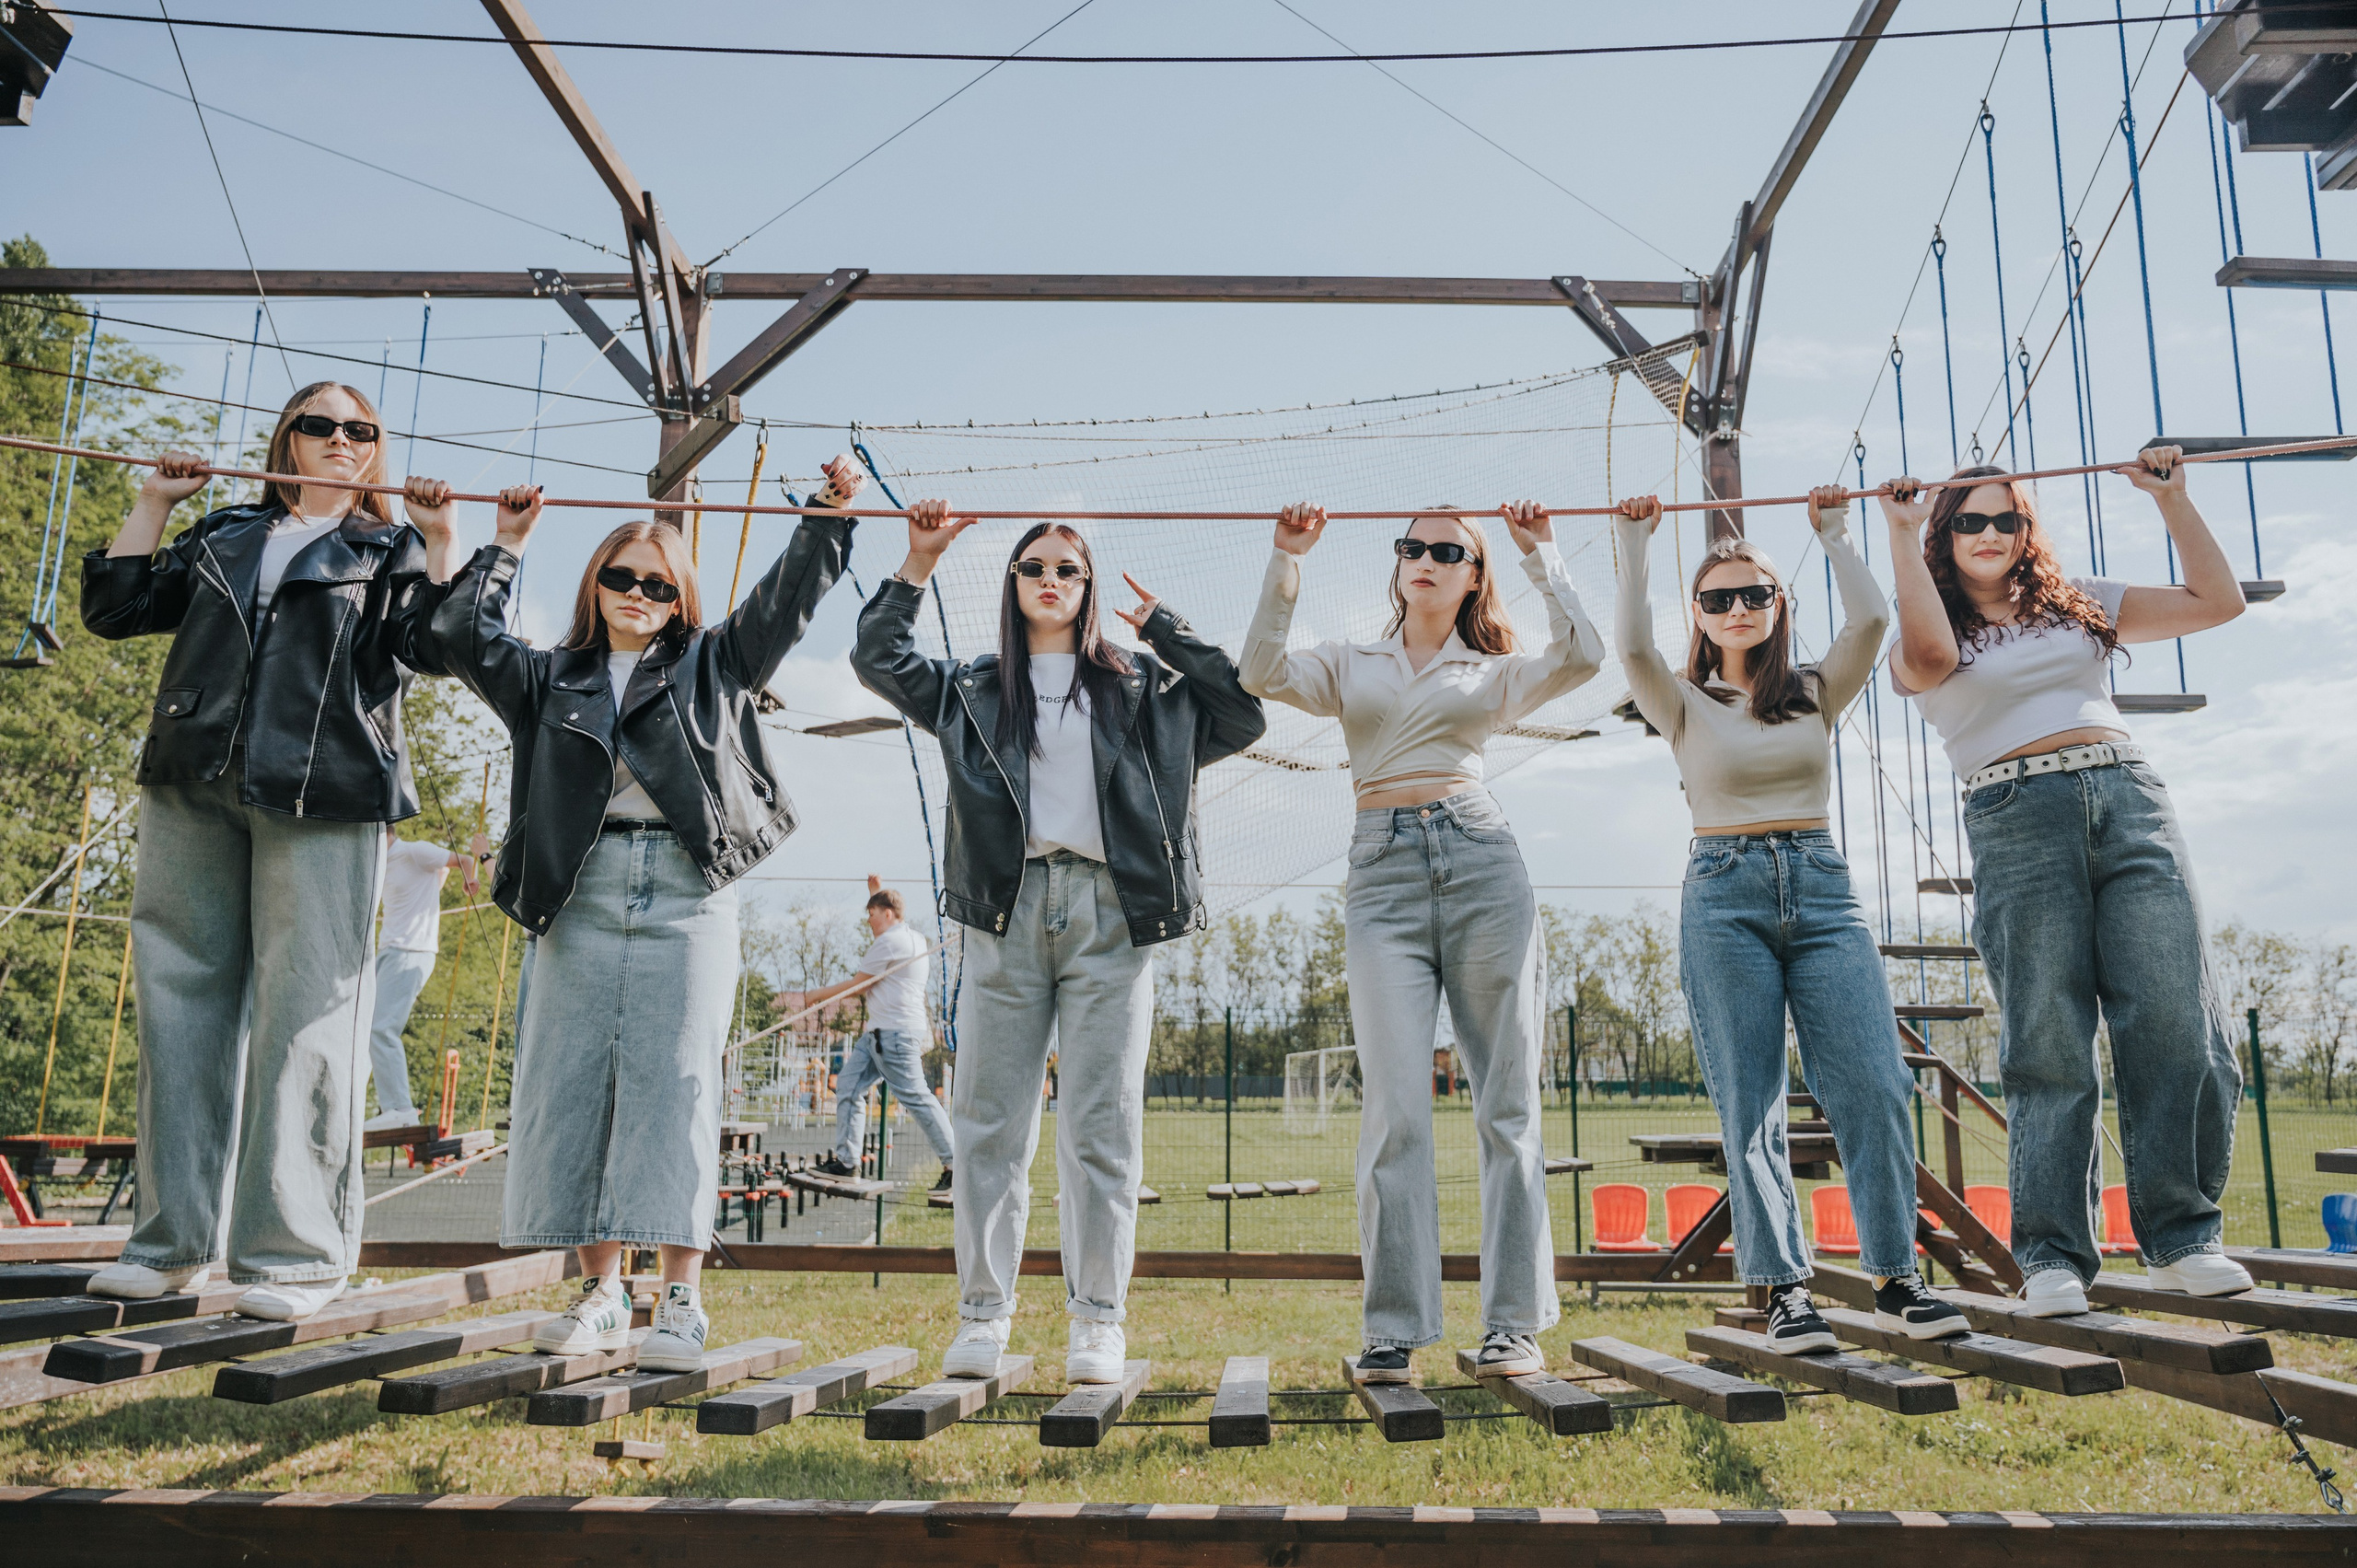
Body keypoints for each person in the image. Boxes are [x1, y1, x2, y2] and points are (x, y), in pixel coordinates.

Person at [423, 458, 865, 1372]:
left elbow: (783, 601)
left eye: (656, 582)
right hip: (578, 891)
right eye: (619, 576)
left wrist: (826, 514)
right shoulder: (550, 677)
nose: (636, 591)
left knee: (676, 1088)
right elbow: (462, 632)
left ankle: (682, 1297)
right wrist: (504, 546)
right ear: (595, 584)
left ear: (678, 597)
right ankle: (601, 1289)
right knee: (576, 1084)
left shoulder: (715, 662)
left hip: (683, 889)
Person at [853, 505, 1264, 1385]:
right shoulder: (969, 686)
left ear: (1088, 586)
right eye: (1033, 565)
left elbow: (1240, 711)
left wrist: (1166, 630)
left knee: (1101, 1128)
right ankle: (983, 1317)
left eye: (1068, 569)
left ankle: (1096, 1321)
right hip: (1003, 914)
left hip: (1113, 916)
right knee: (989, 1126)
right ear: (1012, 582)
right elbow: (877, 657)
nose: (1050, 577)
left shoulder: (1143, 688)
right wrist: (918, 561)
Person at [78, 382, 457, 1320]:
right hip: (193, 773)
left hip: (326, 788)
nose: (340, 440)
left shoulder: (388, 545)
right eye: (320, 425)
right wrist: (154, 503)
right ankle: (169, 1246)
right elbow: (117, 609)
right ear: (287, 436)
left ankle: (293, 1256)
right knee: (180, 1006)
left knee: (308, 1015)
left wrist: (440, 540)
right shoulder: (223, 532)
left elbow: (438, 642)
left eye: (359, 430)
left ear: (376, 448)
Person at [1240, 499, 1603, 1382]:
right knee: (1396, 1111)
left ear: (1473, 575)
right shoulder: (1348, 662)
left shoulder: (1492, 672)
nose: (1428, 559)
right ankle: (1393, 1327)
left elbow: (1586, 655)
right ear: (1398, 565)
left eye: (1450, 550)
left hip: (1482, 863)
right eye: (1415, 547)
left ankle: (1513, 1323)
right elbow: (1257, 670)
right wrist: (1287, 560)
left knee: (1506, 1107)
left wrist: (1539, 552)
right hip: (1382, 875)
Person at [1882, 447, 2250, 1315]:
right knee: (2048, 1033)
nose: (1990, 532)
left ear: (2025, 530)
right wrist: (1900, 534)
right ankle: (2051, 1254)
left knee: (2173, 1013)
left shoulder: (2076, 602)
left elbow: (2217, 603)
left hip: (2128, 796)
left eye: (2007, 518)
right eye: (1968, 519)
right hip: (2016, 814)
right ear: (1946, 532)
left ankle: (2183, 1235)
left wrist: (2173, 500)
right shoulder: (1929, 622)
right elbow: (1929, 660)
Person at [1612, 490, 1967, 1350]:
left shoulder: (1814, 689)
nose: (1738, 609)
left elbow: (1875, 620)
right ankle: (1785, 1291)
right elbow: (1628, 645)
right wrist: (1634, 542)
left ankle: (1896, 1277)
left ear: (1779, 606)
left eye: (1755, 595)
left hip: (1820, 887)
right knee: (1752, 1098)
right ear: (1697, 614)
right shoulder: (1681, 700)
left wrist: (1836, 534)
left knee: (1874, 1084)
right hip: (1723, 891)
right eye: (1719, 599)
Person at [788, 877, 957, 1191]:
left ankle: (955, 1164)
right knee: (849, 1084)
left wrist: (815, 996)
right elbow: (889, 905)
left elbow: (857, 986)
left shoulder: (889, 942)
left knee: (917, 1098)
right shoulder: (913, 937)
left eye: (872, 913)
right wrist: (875, 891)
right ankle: (847, 1163)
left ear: (888, 913)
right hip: (881, 1034)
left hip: (894, 1035)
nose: (868, 920)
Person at [366, 832, 492, 1132]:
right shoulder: (383, 862)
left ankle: (400, 1108)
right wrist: (434, 886)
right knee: (366, 1031)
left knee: (381, 1029)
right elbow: (443, 870)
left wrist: (469, 880)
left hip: (411, 951)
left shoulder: (414, 851)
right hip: (390, 951)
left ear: (383, 830)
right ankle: (383, 1106)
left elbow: (460, 860)